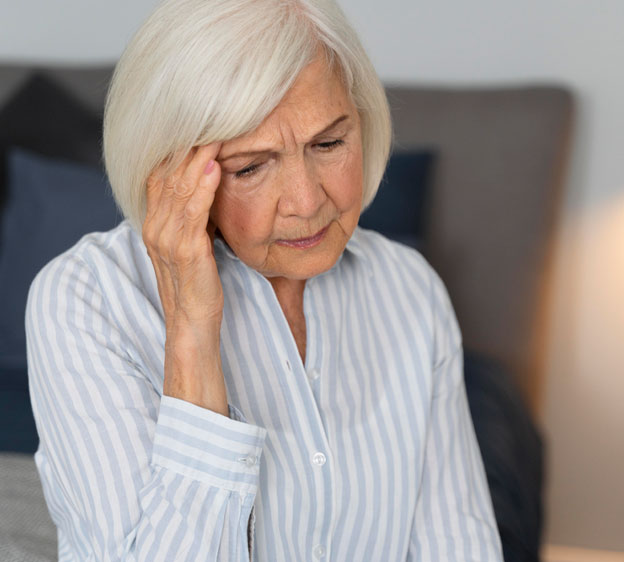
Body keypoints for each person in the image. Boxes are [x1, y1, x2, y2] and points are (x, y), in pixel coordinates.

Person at [26, 0, 503, 560]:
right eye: (250, 167)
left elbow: (458, 544)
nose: (306, 202)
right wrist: (193, 334)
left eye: (328, 144)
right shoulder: (83, 302)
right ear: (169, 176)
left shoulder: (409, 289)